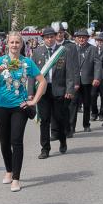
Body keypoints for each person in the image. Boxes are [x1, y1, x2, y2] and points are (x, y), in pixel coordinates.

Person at [0, 32, 45, 191]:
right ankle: (9, 171)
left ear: (21, 44)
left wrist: (34, 101)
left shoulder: (27, 62)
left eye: (17, 42)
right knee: (4, 142)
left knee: (16, 140)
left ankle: (16, 178)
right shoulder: (0, 61)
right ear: (7, 44)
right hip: (1, 108)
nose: (14, 45)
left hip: (20, 107)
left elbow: (42, 81)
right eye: (12, 42)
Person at [32, 27, 72, 159]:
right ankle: (45, 149)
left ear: (55, 37)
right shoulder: (37, 52)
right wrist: (30, 92)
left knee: (59, 118)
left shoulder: (64, 51)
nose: (49, 39)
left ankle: (62, 140)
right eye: (47, 37)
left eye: (51, 37)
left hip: (59, 89)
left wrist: (69, 89)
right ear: (43, 39)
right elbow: (32, 74)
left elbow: (70, 72)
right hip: (43, 90)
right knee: (44, 120)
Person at [71, 29, 96, 132]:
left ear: (87, 38)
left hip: (87, 80)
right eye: (79, 37)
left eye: (84, 37)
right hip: (74, 80)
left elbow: (97, 64)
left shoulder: (92, 49)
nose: (81, 39)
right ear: (76, 38)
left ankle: (86, 124)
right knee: (73, 104)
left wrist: (96, 77)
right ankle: (71, 126)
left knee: (87, 103)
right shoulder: (72, 48)